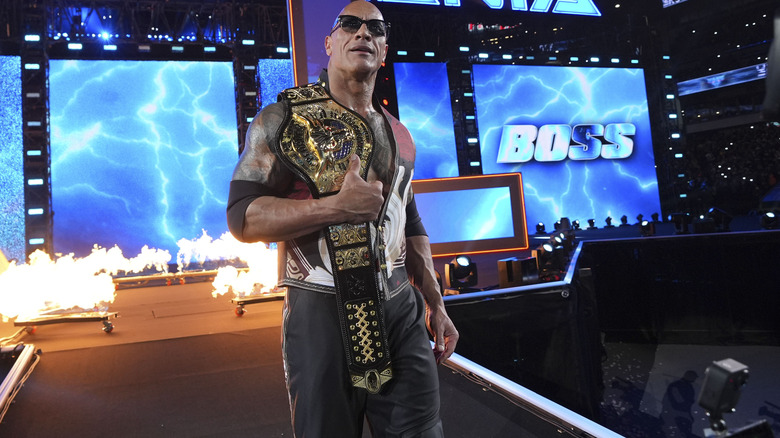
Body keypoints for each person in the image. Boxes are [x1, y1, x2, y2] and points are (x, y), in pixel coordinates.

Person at [226, 1, 459, 436]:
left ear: (384, 50)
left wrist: (436, 303)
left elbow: (409, 222)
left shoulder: (401, 134)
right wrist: (332, 208)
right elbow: (241, 217)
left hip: (398, 307)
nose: (363, 33)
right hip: (321, 308)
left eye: (376, 28)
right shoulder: (282, 120)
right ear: (330, 42)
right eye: (350, 25)